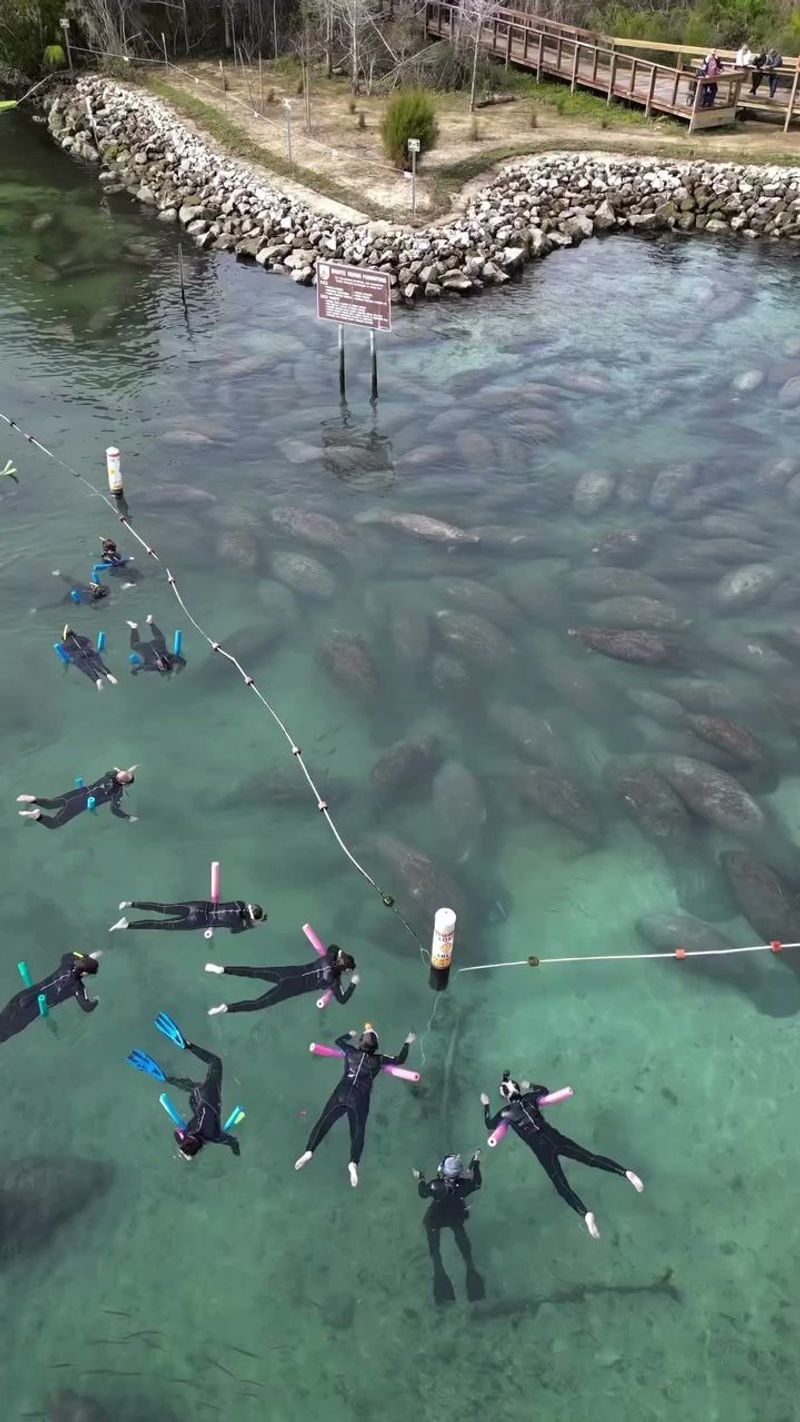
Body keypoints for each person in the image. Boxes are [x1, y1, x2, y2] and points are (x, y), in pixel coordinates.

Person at [482, 1073, 644, 1241]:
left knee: (562, 1187)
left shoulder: (505, 1114)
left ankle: (585, 1214)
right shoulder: (530, 1099)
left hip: (542, 1149)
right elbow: (544, 1091)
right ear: (517, 1089)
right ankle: (626, 1173)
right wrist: (529, 1085)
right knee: (590, 1159)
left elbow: (489, 1124)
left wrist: (486, 1105)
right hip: (555, 1138)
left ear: (505, 1097)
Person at [295, 1025, 416, 1188]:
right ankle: (353, 1163)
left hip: (342, 1093)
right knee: (358, 1131)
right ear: (376, 1046)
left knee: (324, 1122)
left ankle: (309, 1151)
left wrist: (349, 1034)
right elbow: (400, 1060)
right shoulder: (379, 1060)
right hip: (360, 1098)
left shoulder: (350, 1052)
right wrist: (407, 1043)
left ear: (360, 1042)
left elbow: (338, 1041)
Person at [139, 1014, 241, 1161]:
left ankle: (187, 1046)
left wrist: (236, 1151)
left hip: (207, 1095)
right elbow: (177, 1132)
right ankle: (167, 1079)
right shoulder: (184, 1135)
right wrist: (183, 1137)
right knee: (195, 1090)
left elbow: (233, 1142)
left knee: (215, 1062)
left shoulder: (216, 1136)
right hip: (195, 1101)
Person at [205, 944, 358, 1017]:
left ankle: (222, 969)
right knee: (258, 1003)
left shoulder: (329, 957)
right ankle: (226, 1008)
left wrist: (341, 953)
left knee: (254, 972)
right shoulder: (333, 981)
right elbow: (342, 999)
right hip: (290, 988)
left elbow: (333, 947)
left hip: (288, 972)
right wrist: (353, 983)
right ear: (345, 971)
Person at [413, 1151, 485, 1304]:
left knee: (434, 1243)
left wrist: (420, 1178)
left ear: (443, 1170)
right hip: (455, 1215)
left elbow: (422, 1193)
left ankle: (438, 1270)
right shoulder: (465, 1185)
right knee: (460, 1232)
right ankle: (470, 1266)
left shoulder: (436, 1186)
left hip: (437, 1217)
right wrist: (476, 1164)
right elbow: (477, 1183)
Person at [0, 951, 101, 1044]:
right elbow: (87, 1006)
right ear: (85, 973)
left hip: (23, 997)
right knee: (6, 1032)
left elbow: (70, 955)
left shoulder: (67, 962)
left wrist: (85, 958)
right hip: (32, 1010)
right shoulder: (77, 987)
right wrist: (97, 1000)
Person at [17, 767, 137, 829]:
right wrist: (127, 817)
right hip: (79, 804)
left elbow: (119, 774)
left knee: (52, 804)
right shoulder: (117, 792)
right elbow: (114, 809)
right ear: (124, 784)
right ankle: (37, 816)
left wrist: (127, 772)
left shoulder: (109, 775)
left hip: (78, 792)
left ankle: (33, 799)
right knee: (55, 824)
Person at [110, 900, 265, 933]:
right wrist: (252, 925)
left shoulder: (239, 903)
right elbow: (234, 931)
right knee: (161, 924)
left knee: (163, 907)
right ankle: (127, 925)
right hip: (199, 920)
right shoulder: (237, 924)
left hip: (199, 906)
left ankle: (130, 904)